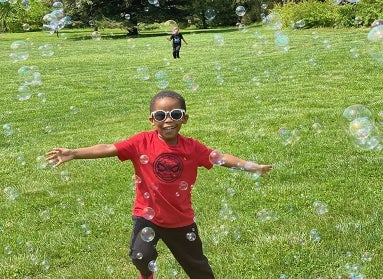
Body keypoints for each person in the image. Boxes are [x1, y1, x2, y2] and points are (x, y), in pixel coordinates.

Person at [46, 90, 272, 279]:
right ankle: (147, 275)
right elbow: (108, 148)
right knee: (140, 256)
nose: (168, 120)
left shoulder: (192, 148)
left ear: (185, 118)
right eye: (161, 115)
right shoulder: (141, 141)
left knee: (198, 269)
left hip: (180, 220)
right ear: (152, 120)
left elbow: (220, 157)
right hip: (147, 215)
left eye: (175, 114)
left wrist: (253, 166)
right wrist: (74, 153)